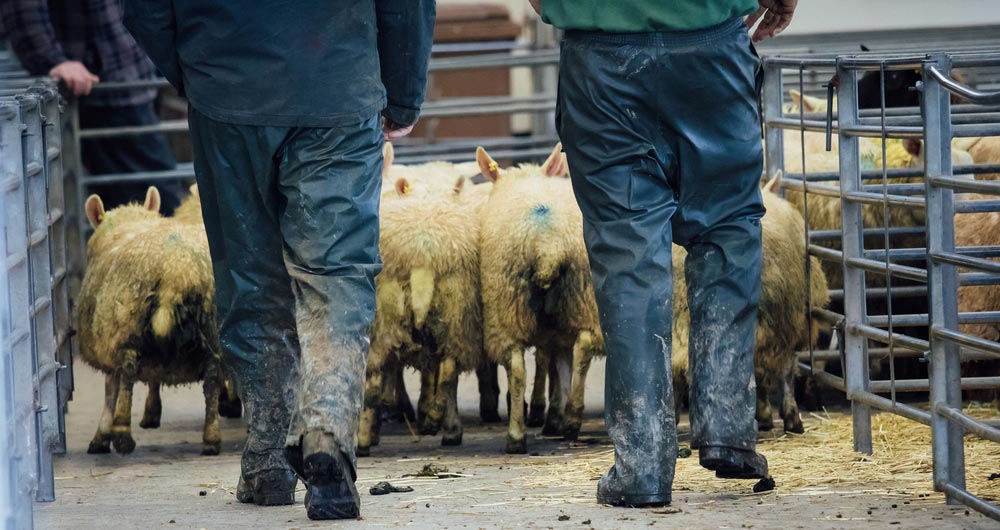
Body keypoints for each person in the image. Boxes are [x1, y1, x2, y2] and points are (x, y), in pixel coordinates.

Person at [122, 0, 435, 521]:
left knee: (250, 271)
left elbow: (145, 8)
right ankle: (326, 431)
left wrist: (198, 74)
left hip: (228, 89)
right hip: (336, 87)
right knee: (336, 272)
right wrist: (402, 93)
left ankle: (268, 457)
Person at [531, 0, 797, 508]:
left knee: (628, 254)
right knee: (727, 227)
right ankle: (727, 426)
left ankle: (642, 467)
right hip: (711, 52)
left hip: (600, 64)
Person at [0, 0, 181, 214]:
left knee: (145, 200)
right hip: (104, 81)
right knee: (157, 202)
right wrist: (52, 59)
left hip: (129, 70)